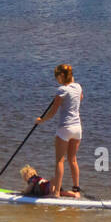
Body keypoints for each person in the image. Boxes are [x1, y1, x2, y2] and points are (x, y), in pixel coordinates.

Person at [35, 63, 83, 196]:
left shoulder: (62, 90)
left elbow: (52, 112)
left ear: (62, 76)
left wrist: (41, 120)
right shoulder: (78, 87)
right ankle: (76, 190)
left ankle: (56, 192)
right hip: (77, 129)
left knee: (60, 161)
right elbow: (80, 98)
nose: (57, 80)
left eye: (57, 77)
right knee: (73, 160)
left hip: (65, 129)